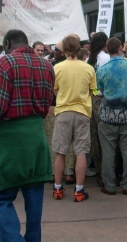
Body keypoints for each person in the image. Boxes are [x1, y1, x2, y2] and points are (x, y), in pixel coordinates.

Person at [0, 29, 54, 242]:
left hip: (9, 141)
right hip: (36, 139)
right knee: (35, 203)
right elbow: (46, 107)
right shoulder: (46, 65)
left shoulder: (6, 63)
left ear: (7, 44)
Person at [52, 34, 96, 202]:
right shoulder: (88, 68)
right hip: (82, 112)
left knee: (60, 152)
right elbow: (94, 91)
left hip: (63, 111)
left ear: (63, 50)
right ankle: (79, 190)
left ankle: (57, 188)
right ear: (79, 49)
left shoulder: (57, 68)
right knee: (81, 152)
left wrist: (62, 96)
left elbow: (54, 89)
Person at [96, 37, 127, 195]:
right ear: (121, 48)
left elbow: (99, 89)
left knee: (108, 152)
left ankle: (109, 185)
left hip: (108, 115)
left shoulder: (102, 69)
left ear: (107, 49)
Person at [86, 31, 109, 183]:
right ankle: (107, 171)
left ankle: (99, 169)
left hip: (92, 98)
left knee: (94, 136)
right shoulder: (106, 58)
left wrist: (94, 92)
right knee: (105, 137)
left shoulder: (89, 59)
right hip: (104, 98)